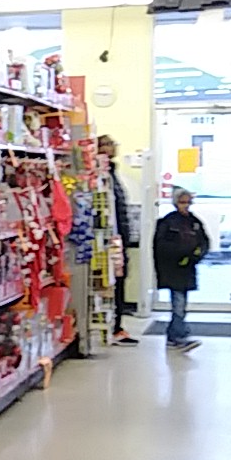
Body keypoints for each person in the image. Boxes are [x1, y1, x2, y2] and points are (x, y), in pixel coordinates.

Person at [154, 188, 212, 352]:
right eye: (182, 202)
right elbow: (161, 246)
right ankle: (178, 336)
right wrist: (182, 253)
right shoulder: (168, 222)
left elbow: (204, 242)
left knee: (181, 304)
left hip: (188, 269)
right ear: (175, 203)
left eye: (188, 202)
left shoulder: (194, 222)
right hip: (172, 269)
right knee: (178, 304)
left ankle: (174, 335)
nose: (185, 206)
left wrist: (196, 255)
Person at [99, 135, 140, 345]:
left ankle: (116, 325)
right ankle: (112, 327)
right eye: (106, 144)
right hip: (107, 241)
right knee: (112, 282)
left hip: (117, 239)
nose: (112, 148)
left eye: (113, 144)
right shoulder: (101, 175)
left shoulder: (112, 174)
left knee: (120, 281)